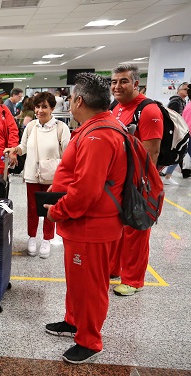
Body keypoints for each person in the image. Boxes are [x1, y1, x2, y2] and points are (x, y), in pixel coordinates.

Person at [44, 73, 127, 364]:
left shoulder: (98, 136)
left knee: (90, 286)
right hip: (82, 225)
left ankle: (89, 340)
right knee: (78, 281)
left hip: (91, 226)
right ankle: (73, 321)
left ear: (78, 100)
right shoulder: (98, 128)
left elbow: (85, 191)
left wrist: (58, 210)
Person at [109, 64, 163, 296]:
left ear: (135, 84)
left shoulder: (148, 110)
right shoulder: (115, 107)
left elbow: (151, 152)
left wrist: (139, 187)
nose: (117, 86)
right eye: (114, 82)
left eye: (123, 81)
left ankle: (133, 280)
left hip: (139, 181)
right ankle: (115, 269)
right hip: (118, 179)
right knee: (118, 225)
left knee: (136, 228)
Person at [5, 92, 71, 258]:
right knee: (32, 208)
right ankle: (32, 237)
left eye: (44, 107)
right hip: (32, 174)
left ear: (52, 108)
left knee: (50, 208)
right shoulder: (31, 126)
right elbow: (23, 146)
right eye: (37, 107)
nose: (40, 110)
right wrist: (16, 150)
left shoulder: (61, 128)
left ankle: (47, 239)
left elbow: (68, 154)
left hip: (52, 176)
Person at [162, 82, 188, 185]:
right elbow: (171, 117)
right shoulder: (175, 101)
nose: (187, 91)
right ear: (179, 90)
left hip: (180, 131)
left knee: (179, 154)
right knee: (177, 153)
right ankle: (167, 175)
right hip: (175, 132)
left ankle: (167, 174)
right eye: (185, 89)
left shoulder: (183, 101)